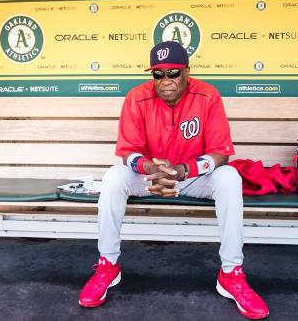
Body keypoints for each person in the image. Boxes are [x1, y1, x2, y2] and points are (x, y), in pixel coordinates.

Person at [78, 41, 269, 319]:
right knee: (113, 178)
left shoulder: (208, 96)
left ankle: (231, 272)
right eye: (158, 74)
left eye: (173, 73)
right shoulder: (136, 97)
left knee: (229, 177)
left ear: (187, 72)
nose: (166, 81)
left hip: (192, 176)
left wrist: (183, 171)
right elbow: (127, 153)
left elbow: (220, 154)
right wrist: (149, 168)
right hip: (149, 176)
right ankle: (108, 264)